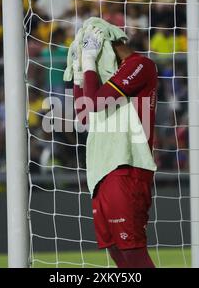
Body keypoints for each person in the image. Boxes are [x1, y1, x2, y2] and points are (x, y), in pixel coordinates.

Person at [73, 26, 157, 268]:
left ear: (107, 44)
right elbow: (85, 115)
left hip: (126, 165)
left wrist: (89, 62)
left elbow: (97, 103)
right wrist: (80, 77)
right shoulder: (102, 80)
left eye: (91, 47)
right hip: (101, 169)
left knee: (131, 251)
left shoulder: (140, 64)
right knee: (117, 252)